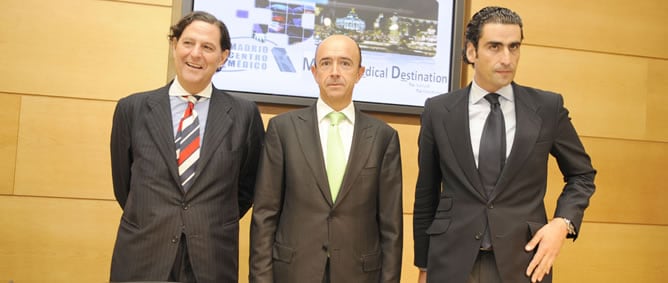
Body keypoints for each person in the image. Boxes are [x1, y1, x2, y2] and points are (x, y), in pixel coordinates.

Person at [413, 6, 596, 283]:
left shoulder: (547, 108)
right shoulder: (438, 111)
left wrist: (562, 223)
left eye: (514, 47)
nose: (507, 58)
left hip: (525, 262)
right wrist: (423, 265)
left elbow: (582, 175)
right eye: (495, 47)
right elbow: (426, 193)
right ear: (472, 52)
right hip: (451, 262)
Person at [109, 11, 264, 283]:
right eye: (188, 43)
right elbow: (125, 186)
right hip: (142, 258)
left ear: (223, 57)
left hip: (211, 261)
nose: (196, 54)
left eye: (207, 47)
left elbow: (246, 189)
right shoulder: (132, 109)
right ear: (174, 45)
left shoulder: (244, 115)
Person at [249, 34, 403, 283]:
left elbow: (391, 228)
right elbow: (264, 216)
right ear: (314, 72)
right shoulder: (283, 130)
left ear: (360, 73)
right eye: (326, 63)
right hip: (293, 271)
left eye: (345, 63)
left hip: (360, 274)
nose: (334, 72)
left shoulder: (383, 137)